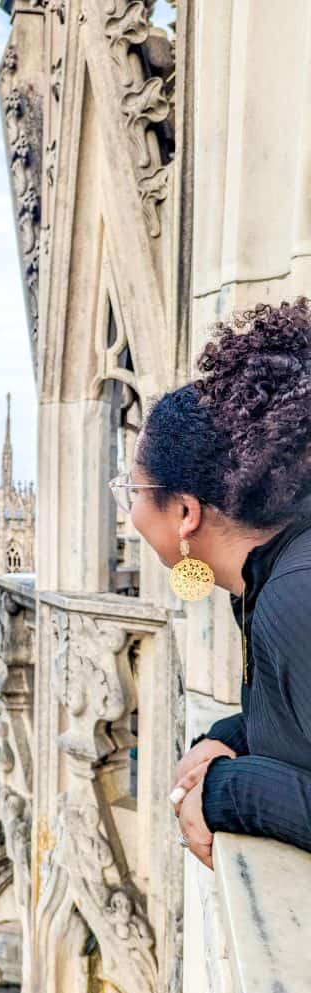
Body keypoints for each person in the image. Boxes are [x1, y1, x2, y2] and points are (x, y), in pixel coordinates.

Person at [109, 298, 311, 869]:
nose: (128, 516)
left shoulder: (295, 596)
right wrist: (229, 736)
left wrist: (226, 791)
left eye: (132, 492)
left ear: (186, 514)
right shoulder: (272, 577)